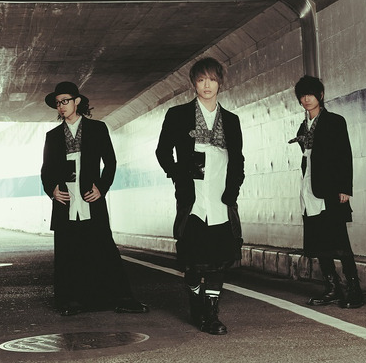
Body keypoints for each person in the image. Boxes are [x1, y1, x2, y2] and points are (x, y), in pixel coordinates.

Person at [41, 82, 148, 316]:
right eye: (58, 103)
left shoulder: (97, 129)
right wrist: (52, 190)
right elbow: (46, 170)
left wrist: (102, 188)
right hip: (65, 201)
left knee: (104, 247)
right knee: (68, 251)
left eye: (65, 101)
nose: (61, 106)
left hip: (91, 197)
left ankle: (123, 299)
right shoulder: (53, 136)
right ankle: (69, 301)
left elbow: (110, 162)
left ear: (77, 101)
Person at [156, 57, 244, 335]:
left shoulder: (231, 120)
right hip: (192, 199)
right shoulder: (178, 115)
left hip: (221, 199)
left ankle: (211, 314)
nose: (207, 85)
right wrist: (178, 176)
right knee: (193, 261)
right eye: (202, 79)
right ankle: (196, 300)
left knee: (219, 260)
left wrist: (233, 190)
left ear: (220, 83)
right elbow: (162, 151)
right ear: (194, 83)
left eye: (212, 79)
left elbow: (238, 160)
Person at [289, 75, 364, 309]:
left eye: (311, 94)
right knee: (320, 242)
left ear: (320, 96)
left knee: (340, 242)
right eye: (302, 95)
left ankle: (355, 290)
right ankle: (333, 288)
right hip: (309, 190)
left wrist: (345, 188)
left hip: (331, 191)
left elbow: (344, 154)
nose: (306, 99)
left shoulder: (334, 121)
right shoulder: (303, 126)